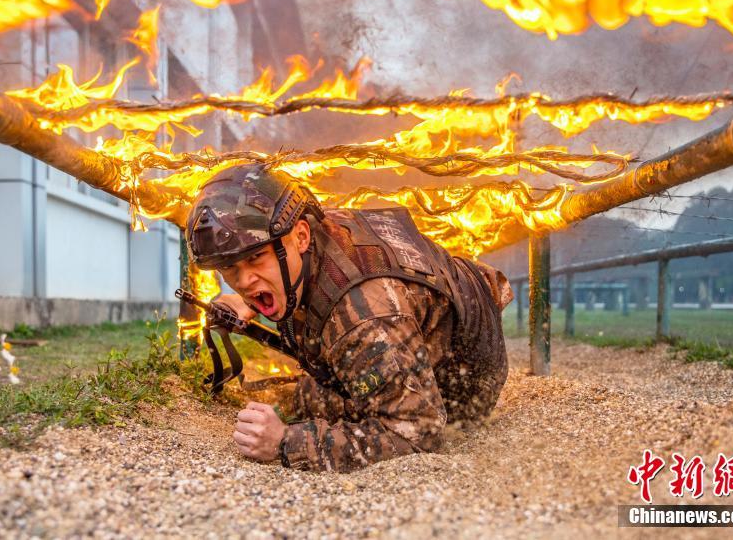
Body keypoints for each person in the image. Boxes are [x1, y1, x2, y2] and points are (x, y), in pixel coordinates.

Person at [186, 163, 512, 472]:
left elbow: (417, 435)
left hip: (463, 385)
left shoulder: (366, 317)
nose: (244, 281)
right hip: (441, 311)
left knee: (317, 399)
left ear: (300, 237)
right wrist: (250, 302)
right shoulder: (311, 232)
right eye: (230, 267)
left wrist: (285, 442)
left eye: (256, 257)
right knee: (309, 392)